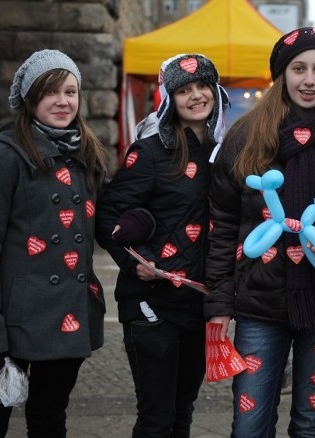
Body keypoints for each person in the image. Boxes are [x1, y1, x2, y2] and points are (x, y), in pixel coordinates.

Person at [204, 27, 315, 437]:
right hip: (258, 305)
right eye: (299, 68)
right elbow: (221, 225)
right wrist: (220, 300)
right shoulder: (244, 138)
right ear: (282, 75)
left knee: (312, 424)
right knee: (250, 424)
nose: (309, 80)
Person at [0, 49, 107, 437]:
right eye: (50, 92)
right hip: (13, 325)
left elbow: (103, 225)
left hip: (70, 318)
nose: (63, 102)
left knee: (49, 420)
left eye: (71, 92)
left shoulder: (86, 154)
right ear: (30, 99)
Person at [95, 53, 228, 438]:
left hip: (199, 305)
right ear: (170, 98)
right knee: (156, 419)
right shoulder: (151, 152)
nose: (196, 96)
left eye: (203, 86)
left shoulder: (226, 154)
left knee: (182, 412)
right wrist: (134, 261)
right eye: (184, 90)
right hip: (151, 302)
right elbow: (108, 214)